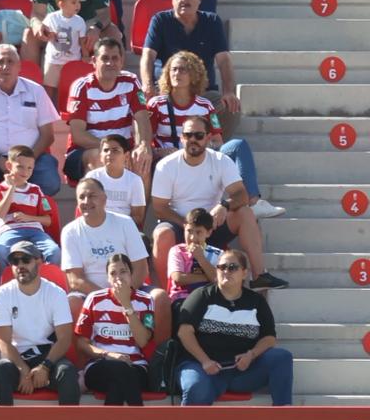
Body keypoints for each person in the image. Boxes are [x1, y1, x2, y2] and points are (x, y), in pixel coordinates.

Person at [150, 116, 286, 291]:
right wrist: (186, 224)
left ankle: (259, 275)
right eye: (188, 134)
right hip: (180, 225)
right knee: (162, 235)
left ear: (208, 138)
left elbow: (241, 195)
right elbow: (159, 209)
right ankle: (166, 293)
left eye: (198, 135)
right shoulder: (166, 166)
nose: (193, 139)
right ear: (182, 137)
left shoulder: (221, 160)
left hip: (213, 224)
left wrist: (224, 206)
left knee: (245, 212)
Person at [145, 50, 277, 216]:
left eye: (183, 69)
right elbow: (145, 141)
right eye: (174, 69)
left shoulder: (205, 105)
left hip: (200, 154)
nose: (177, 73)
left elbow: (217, 141)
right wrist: (159, 152)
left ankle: (253, 202)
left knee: (238, 145)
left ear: (194, 75)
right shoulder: (156, 105)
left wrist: (203, 146)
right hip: (170, 161)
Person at [175, 249, 292, 406]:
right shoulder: (202, 296)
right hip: (203, 367)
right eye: (221, 267)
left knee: (282, 357)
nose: (226, 271)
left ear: (244, 273)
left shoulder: (256, 302)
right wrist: (205, 361)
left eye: (232, 267)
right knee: (196, 387)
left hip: (242, 371)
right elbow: (184, 333)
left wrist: (251, 355)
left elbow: (269, 338)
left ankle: (284, 416)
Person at [0, 239, 81, 405]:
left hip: (49, 357)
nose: (20, 265)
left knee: (67, 372)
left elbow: (65, 338)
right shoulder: (0, 295)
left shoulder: (55, 293)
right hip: (16, 358)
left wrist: (45, 367)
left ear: (39, 261)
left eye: (26, 260)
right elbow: (3, 342)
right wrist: (23, 370)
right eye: (15, 261)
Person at [140, 0, 241, 129]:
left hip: (203, 95)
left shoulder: (211, 21)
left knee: (230, 107)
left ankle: (212, 147)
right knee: (141, 106)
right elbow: (147, 56)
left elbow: (224, 60)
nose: (184, 0)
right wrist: (147, 86)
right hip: (167, 93)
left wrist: (228, 92)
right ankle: (157, 148)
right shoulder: (160, 21)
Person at [0, 44, 62, 198]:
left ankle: (22, 211)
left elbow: (47, 135)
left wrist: (26, 162)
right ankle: (3, 211)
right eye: (0, 62)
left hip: (33, 155)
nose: (5, 66)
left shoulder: (36, 90)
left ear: (19, 66)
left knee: (51, 181)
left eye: (10, 62)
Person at [62, 36, 152, 186]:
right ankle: (100, 209)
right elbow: (78, 135)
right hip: (85, 150)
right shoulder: (81, 87)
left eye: (115, 58)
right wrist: (114, 150)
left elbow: (142, 118)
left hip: (123, 149)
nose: (110, 63)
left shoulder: (131, 81)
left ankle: (136, 210)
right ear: (94, 61)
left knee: (142, 160)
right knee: (102, 157)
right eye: (105, 58)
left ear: (122, 61)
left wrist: (143, 145)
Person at [59, 177, 154, 313]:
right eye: (81, 197)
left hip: (130, 290)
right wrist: (108, 297)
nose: (86, 201)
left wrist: (126, 295)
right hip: (91, 295)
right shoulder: (70, 231)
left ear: (104, 199)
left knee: (160, 297)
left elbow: (141, 269)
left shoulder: (125, 223)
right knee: (72, 302)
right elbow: (75, 280)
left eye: (92, 196)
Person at [74, 253, 157, 406]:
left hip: (135, 366)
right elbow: (81, 344)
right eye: (113, 273)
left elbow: (143, 341)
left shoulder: (146, 300)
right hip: (101, 365)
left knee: (117, 385)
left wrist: (126, 304)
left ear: (131, 274)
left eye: (123, 271)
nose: (118, 277)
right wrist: (109, 355)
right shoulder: (94, 299)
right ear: (108, 278)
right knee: (120, 372)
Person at [0, 145, 60, 268]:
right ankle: (4, 283)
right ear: (9, 166)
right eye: (20, 167)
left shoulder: (36, 190)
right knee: (0, 253)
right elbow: (0, 214)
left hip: (36, 232)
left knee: (54, 252)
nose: (25, 172)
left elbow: (48, 221)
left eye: (30, 168)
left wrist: (28, 217)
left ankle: (46, 281)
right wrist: (12, 187)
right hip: (10, 231)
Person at [83, 135, 147, 229]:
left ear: (126, 156)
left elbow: (138, 217)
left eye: (115, 150)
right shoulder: (92, 178)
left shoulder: (135, 181)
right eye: (106, 150)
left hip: (124, 229)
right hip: (97, 228)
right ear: (101, 156)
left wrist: (117, 226)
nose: (109, 154)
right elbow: (87, 210)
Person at [37, 0, 90, 96]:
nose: (78, 5)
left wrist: (85, 55)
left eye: (79, 2)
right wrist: (49, 34)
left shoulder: (79, 21)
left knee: (71, 88)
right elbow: (44, 31)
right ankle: (48, 110)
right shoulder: (51, 17)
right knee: (48, 88)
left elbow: (81, 40)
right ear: (61, 4)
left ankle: (69, 111)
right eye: (74, 2)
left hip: (72, 60)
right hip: (53, 61)